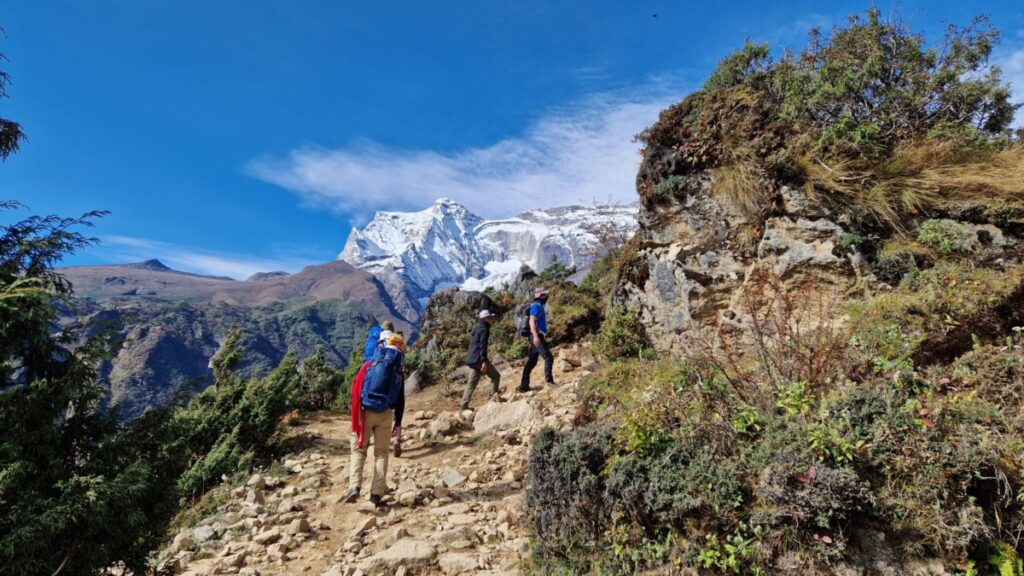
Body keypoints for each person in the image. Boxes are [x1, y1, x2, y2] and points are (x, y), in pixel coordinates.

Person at [344, 331, 406, 508]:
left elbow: (356, 389)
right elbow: (400, 399)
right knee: (381, 453)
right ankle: (376, 493)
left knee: (359, 451)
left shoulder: (371, 363)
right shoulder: (398, 369)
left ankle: (354, 486)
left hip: (365, 412)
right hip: (386, 413)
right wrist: (398, 424)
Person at [461, 309, 501, 411]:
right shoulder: (484, 329)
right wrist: (484, 361)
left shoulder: (476, 328)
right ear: (486, 319)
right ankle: (494, 398)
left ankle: (463, 406)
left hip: (471, 359)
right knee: (496, 376)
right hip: (479, 359)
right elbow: (482, 346)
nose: (492, 320)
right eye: (491, 318)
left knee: (471, 383)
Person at [519, 287, 555, 392]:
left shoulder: (538, 306)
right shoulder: (536, 306)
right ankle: (549, 382)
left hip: (535, 335)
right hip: (536, 335)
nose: (546, 296)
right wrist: (535, 336)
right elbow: (531, 321)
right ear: (540, 296)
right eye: (544, 295)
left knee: (532, 361)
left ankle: (524, 386)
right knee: (548, 357)